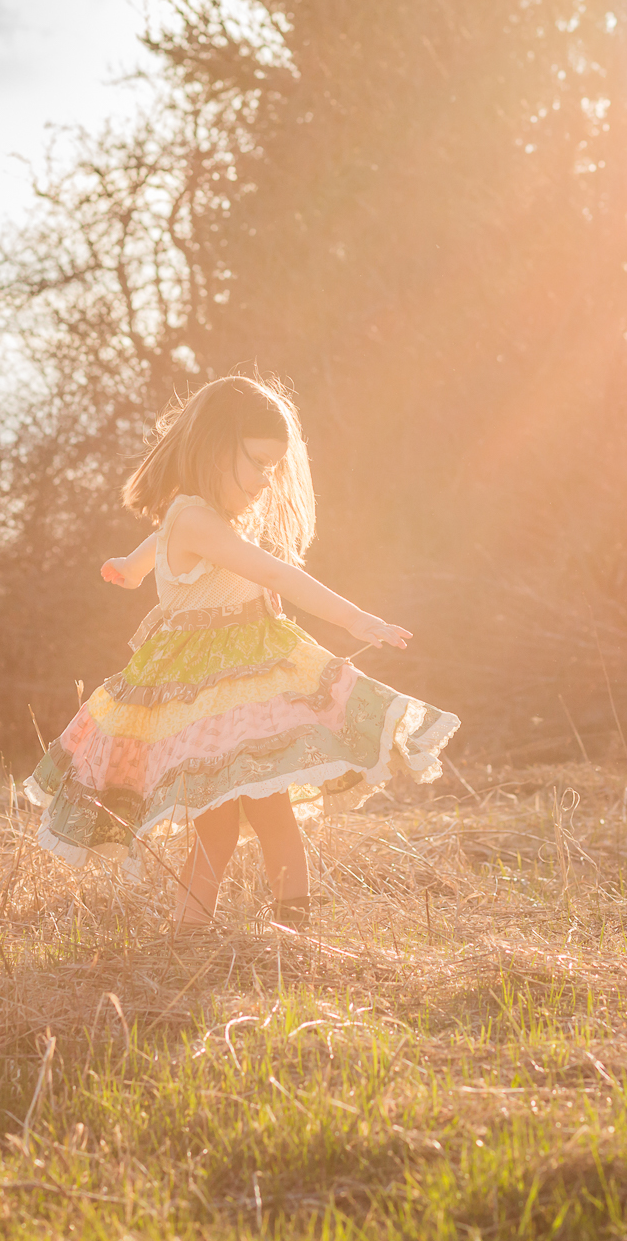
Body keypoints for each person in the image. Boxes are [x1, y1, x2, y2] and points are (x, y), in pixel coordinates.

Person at [27, 376, 460, 931]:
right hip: (215, 690)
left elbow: (153, 546)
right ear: (213, 447)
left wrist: (130, 570)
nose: (265, 480)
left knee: (258, 817)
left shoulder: (192, 516)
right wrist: (355, 619)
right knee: (229, 828)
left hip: (241, 679)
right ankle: (218, 931)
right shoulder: (198, 520)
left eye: (273, 467)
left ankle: (267, 927)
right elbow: (274, 571)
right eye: (257, 462)